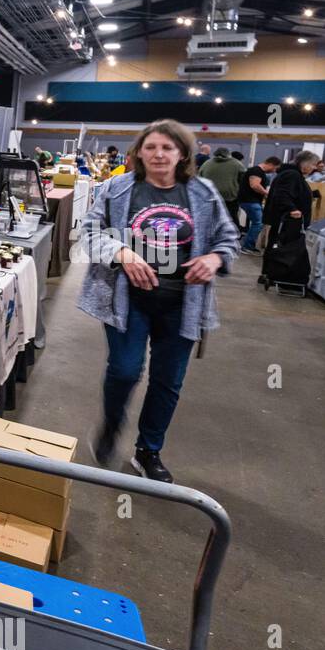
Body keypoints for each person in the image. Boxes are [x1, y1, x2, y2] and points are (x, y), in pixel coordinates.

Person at [80, 119, 238, 483]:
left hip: (182, 305)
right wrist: (122, 252)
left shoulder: (203, 192)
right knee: (124, 370)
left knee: (168, 381)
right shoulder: (118, 188)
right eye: (150, 147)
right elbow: (89, 231)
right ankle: (111, 424)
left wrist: (215, 258)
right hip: (126, 301)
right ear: (139, 152)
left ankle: (148, 450)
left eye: (168, 148)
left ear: (182, 153)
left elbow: (227, 237)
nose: (159, 154)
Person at [261, 149, 320, 282]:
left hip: (286, 219)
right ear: (304, 164)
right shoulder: (292, 175)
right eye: (313, 164)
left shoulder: (291, 174)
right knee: (282, 247)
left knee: (277, 245)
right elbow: (282, 194)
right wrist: (292, 209)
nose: (314, 168)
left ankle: (270, 274)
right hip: (288, 220)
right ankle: (276, 274)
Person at [237, 156, 280, 254]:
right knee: (258, 223)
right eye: (274, 168)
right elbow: (255, 185)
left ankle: (246, 244)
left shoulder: (258, 171)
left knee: (257, 223)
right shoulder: (256, 171)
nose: (274, 171)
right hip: (250, 201)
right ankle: (247, 246)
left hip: (250, 201)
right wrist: (267, 193)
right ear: (270, 164)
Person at [198, 147, 244, 226]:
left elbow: (199, 179)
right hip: (230, 197)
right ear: (228, 154)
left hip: (210, 197)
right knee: (231, 219)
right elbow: (243, 180)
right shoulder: (237, 164)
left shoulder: (207, 163)